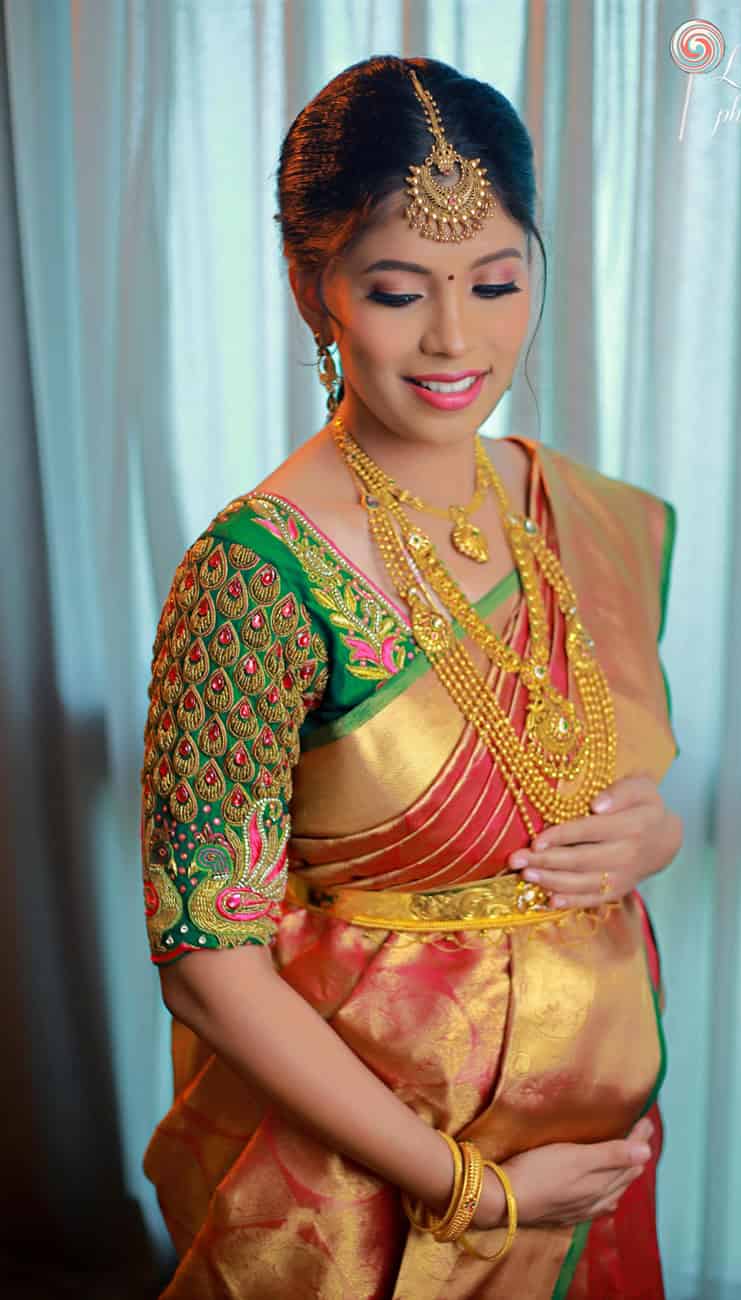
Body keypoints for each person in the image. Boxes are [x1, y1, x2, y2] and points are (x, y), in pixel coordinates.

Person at [140, 54, 682, 1299]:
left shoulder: (573, 510)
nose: (456, 339)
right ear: (310, 285)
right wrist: (470, 1188)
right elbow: (208, 964)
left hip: (589, 1145)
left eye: (496, 282)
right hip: (368, 1184)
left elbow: (611, 765)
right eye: (398, 292)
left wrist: (653, 833)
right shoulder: (254, 577)